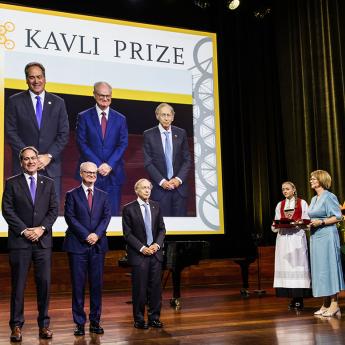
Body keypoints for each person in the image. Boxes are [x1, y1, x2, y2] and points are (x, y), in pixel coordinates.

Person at [1, 146, 58, 342]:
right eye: (26, 159)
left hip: (43, 243)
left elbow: (53, 210)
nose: (31, 161)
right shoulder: (11, 183)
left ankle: (44, 325)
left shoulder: (49, 183)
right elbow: (7, 210)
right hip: (20, 242)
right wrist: (25, 230)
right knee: (18, 286)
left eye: (33, 158)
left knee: (44, 285)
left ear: (38, 160)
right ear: (21, 162)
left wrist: (41, 229)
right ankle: (16, 326)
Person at [5, 61, 69, 208]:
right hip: (23, 168)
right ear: (26, 80)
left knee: (50, 212)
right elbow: (11, 132)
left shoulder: (58, 102)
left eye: (39, 77)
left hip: (51, 168)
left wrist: (49, 156)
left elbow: (63, 134)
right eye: (32, 77)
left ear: (45, 78)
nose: (36, 81)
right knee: (22, 210)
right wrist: (29, 157)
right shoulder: (15, 101)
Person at [63, 162, 111, 336]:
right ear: (81, 173)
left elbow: (106, 217)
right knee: (78, 286)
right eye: (88, 172)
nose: (92, 175)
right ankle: (79, 323)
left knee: (96, 286)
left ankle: (95, 322)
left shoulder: (104, 195)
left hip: (98, 246)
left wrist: (96, 235)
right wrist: (86, 235)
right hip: (78, 245)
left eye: (94, 173)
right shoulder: (72, 195)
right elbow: (70, 217)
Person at [76, 81, 128, 216]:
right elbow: (82, 143)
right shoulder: (84, 116)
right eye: (101, 95)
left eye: (108, 96)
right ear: (94, 95)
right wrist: (99, 165)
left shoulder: (120, 118)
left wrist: (109, 165)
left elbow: (122, 144)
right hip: (91, 173)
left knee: (113, 214)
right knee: (90, 213)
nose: (105, 99)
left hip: (114, 174)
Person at [122, 178, 166, 329]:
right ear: (136, 190)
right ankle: (139, 320)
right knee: (139, 290)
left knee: (155, 289)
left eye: (149, 188)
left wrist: (157, 245)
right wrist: (142, 248)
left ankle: (154, 318)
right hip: (139, 256)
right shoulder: (128, 209)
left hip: (155, 255)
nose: (147, 190)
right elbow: (127, 234)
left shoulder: (156, 206)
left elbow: (161, 229)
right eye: (144, 188)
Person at [143, 103, 192, 217]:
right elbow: (148, 163)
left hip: (180, 191)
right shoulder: (148, 135)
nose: (166, 118)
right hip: (160, 191)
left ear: (173, 117)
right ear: (157, 116)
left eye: (169, 115)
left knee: (181, 228)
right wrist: (162, 181)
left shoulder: (181, 133)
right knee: (161, 227)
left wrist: (178, 179)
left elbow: (187, 160)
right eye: (163, 115)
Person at [308, 170, 345, 317]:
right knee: (320, 269)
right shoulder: (313, 199)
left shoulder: (329, 196)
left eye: (313, 178)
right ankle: (326, 303)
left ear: (321, 180)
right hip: (316, 237)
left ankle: (335, 304)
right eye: (310, 179)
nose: (310, 180)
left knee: (330, 267)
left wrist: (321, 221)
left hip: (328, 236)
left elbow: (338, 217)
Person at [272, 181, 311, 310]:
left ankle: (299, 298)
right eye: (283, 189)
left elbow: (307, 220)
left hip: (296, 238)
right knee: (286, 266)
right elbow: (275, 221)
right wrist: (276, 225)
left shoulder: (302, 203)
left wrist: (299, 223)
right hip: (283, 238)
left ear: (294, 190)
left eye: (287, 189)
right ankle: (292, 297)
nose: (285, 191)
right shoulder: (280, 204)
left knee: (298, 266)